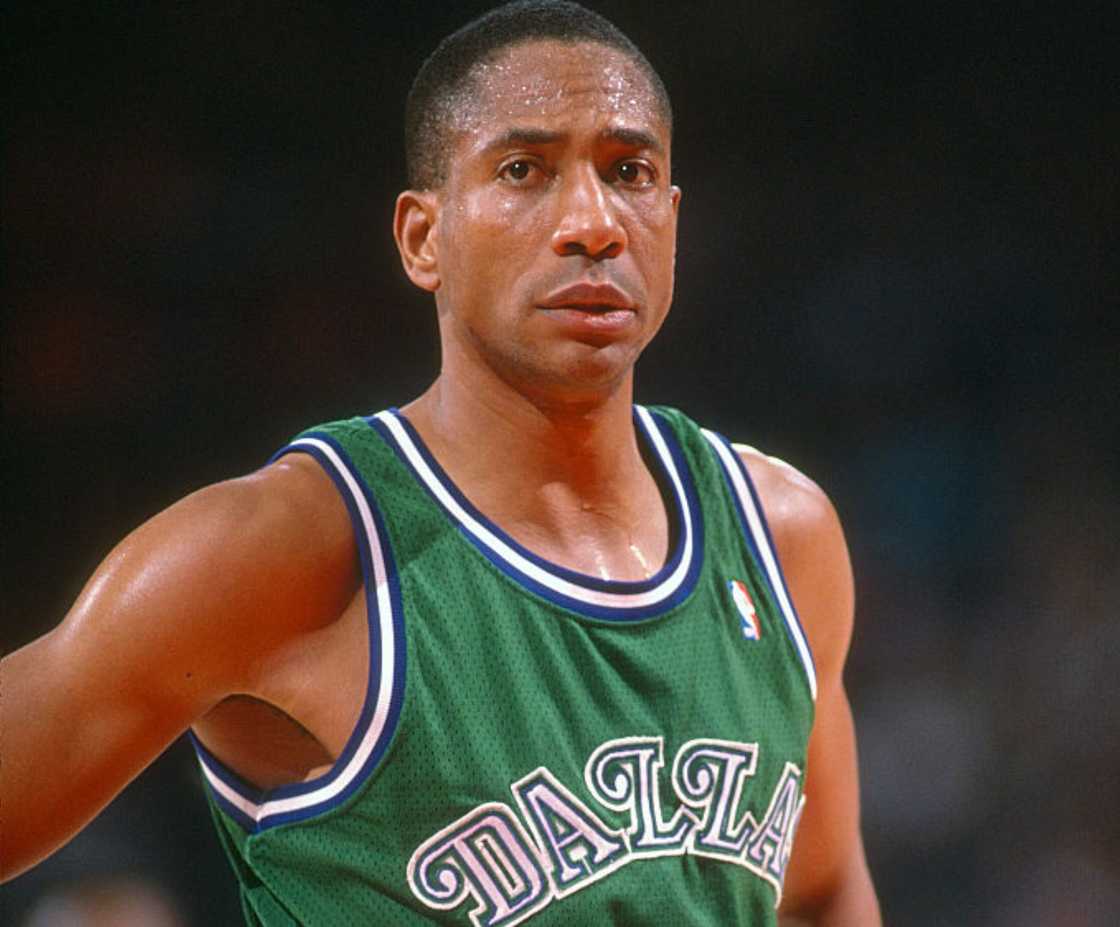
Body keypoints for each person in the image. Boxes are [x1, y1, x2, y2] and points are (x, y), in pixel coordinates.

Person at [0, 2, 880, 923]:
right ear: (424, 237)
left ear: (670, 220)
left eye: (629, 172)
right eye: (522, 170)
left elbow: (820, 893)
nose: (593, 221)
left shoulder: (783, 535)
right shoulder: (288, 549)